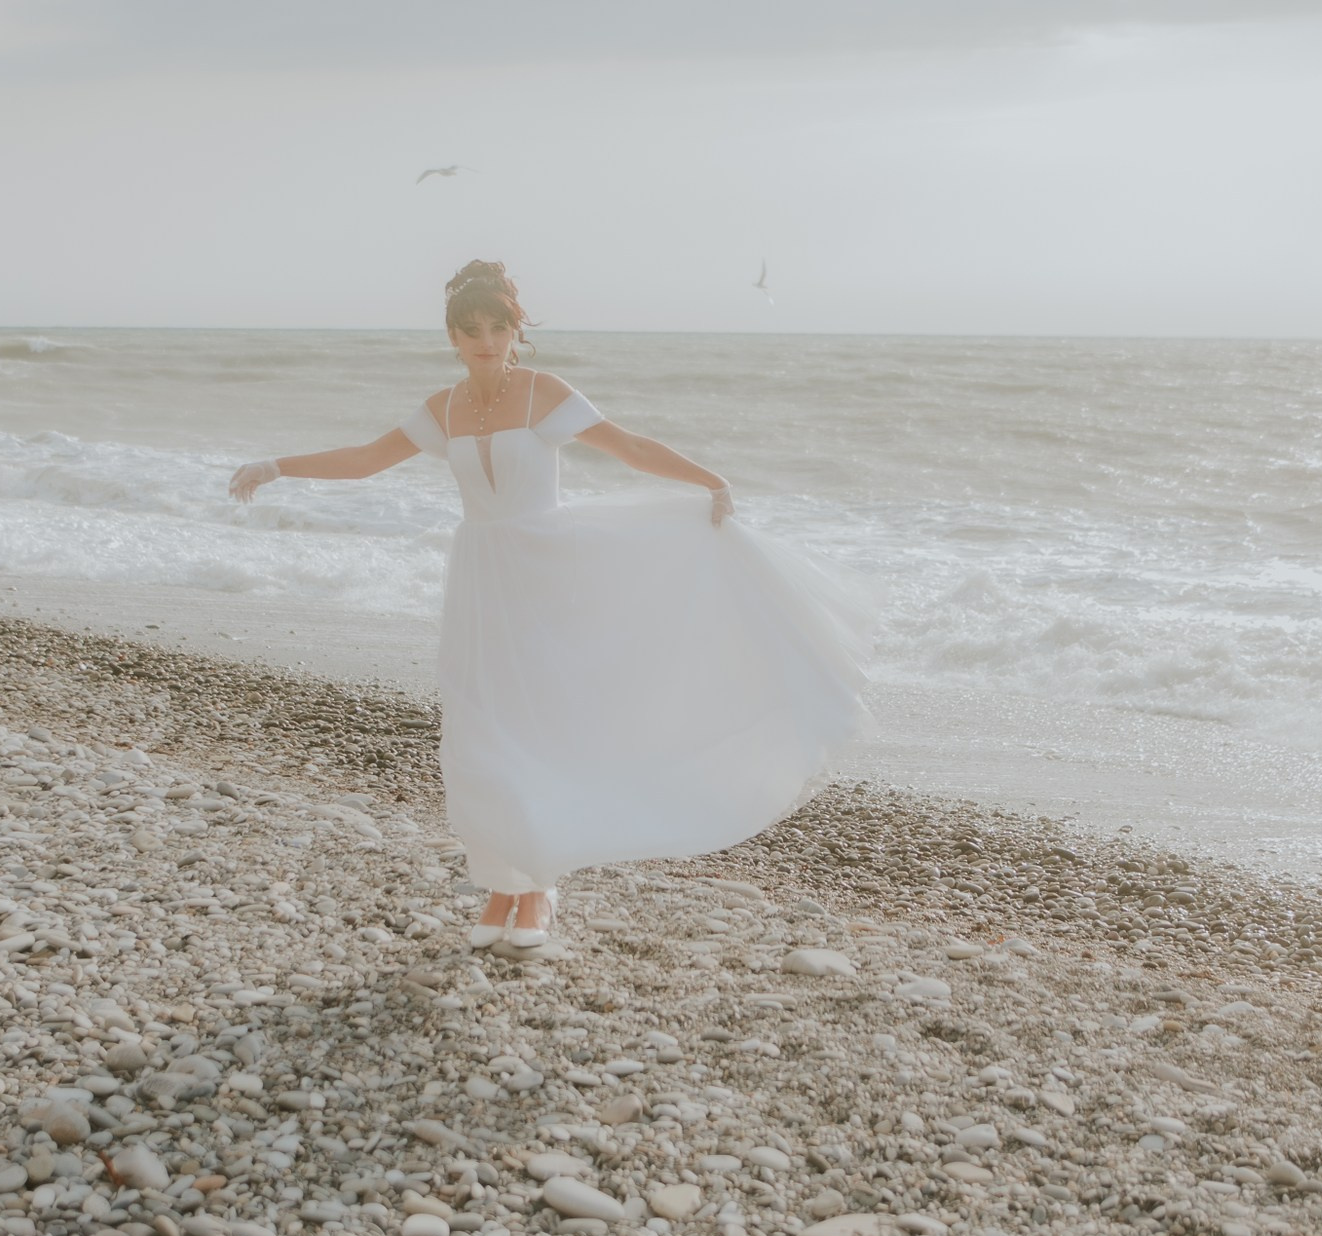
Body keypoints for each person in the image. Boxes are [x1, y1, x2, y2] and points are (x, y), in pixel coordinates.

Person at [230, 261, 871, 948]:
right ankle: (500, 884)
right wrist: (275, 466)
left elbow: (626, 446)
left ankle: (536, 888)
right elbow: (363, 459)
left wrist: (707, 477)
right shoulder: (442, 409)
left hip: (546, 574)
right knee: (480, 727)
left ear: (515, 331)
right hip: (480, 579)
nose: (485, 339)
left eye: (497, 327)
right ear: (452, 336)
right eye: (470, 329)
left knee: (533, 727)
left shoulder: (544, 393)